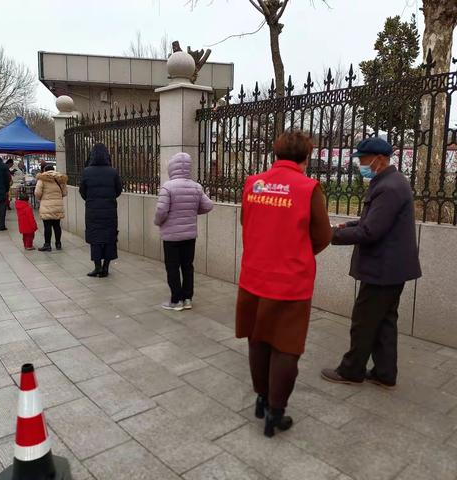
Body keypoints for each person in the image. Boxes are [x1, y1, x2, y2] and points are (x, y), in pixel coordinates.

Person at [236, 131, 332, 437]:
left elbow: (247, 222)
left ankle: (262, 399)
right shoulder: (308, 188)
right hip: (291, 281)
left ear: (275, 154)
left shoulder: (254, 183)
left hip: (254, 276)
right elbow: (323, 235)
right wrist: (298, 253)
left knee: (258, 338)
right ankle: (276, 413)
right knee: (286, 347)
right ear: (307, 157)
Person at [321, 137, 422, 389]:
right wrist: (347, 225)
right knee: (384, 322)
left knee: (364, 322)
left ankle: (351, 371)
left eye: (363, 159)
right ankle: (385, 373)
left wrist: (330, 234)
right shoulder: (391, 182)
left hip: (382, 269)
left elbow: (371, 232)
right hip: (391, 269)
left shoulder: (388, 187)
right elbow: (372, 221)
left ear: (379, 159)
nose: (360, 164)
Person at [154, 152, 213, 311]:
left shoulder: (168, 187)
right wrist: (192, 212)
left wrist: (158, 222)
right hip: (189, 235)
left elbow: (161, 210)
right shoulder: (196, 187)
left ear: (172, 168)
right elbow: (208, 206)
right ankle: (187, 298)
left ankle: (176, 300)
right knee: (187, 266)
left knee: (172, 267)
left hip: (171, 237)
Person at [79, 143, 122, 278]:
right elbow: (118, 190)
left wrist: (91, 199)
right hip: (109, 211)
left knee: (96, 238)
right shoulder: (113, 172)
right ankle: (105, 268)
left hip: (93, 211)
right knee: (109, 238)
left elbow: (82, 191)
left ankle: (97, 267)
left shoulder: (87, 171)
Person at [35, 164, 68, 252]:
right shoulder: (61, 179)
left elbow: (37, 193)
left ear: (45, 170)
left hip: (46, 205)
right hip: (58, 205)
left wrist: (41, 199)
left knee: (47, 226)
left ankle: (47, 245)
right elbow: (64, 193)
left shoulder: (42, 179)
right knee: (57, 225)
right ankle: (58, 243)